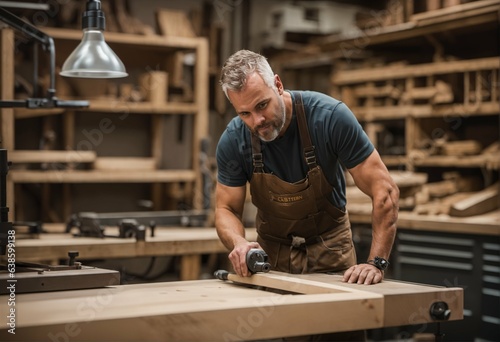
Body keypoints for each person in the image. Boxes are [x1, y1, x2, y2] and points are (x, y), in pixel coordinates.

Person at [215, 49, 399, 287]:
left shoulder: (330, 118)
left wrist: (376, 263)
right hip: (270, 264)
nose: (257, 121)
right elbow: (226, 208)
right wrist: (239, 242)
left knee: (336, 322)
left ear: (278, 85)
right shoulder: (234, 139)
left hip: (332, 257)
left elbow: (385, 191)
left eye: (262, 105)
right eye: (245, 113)